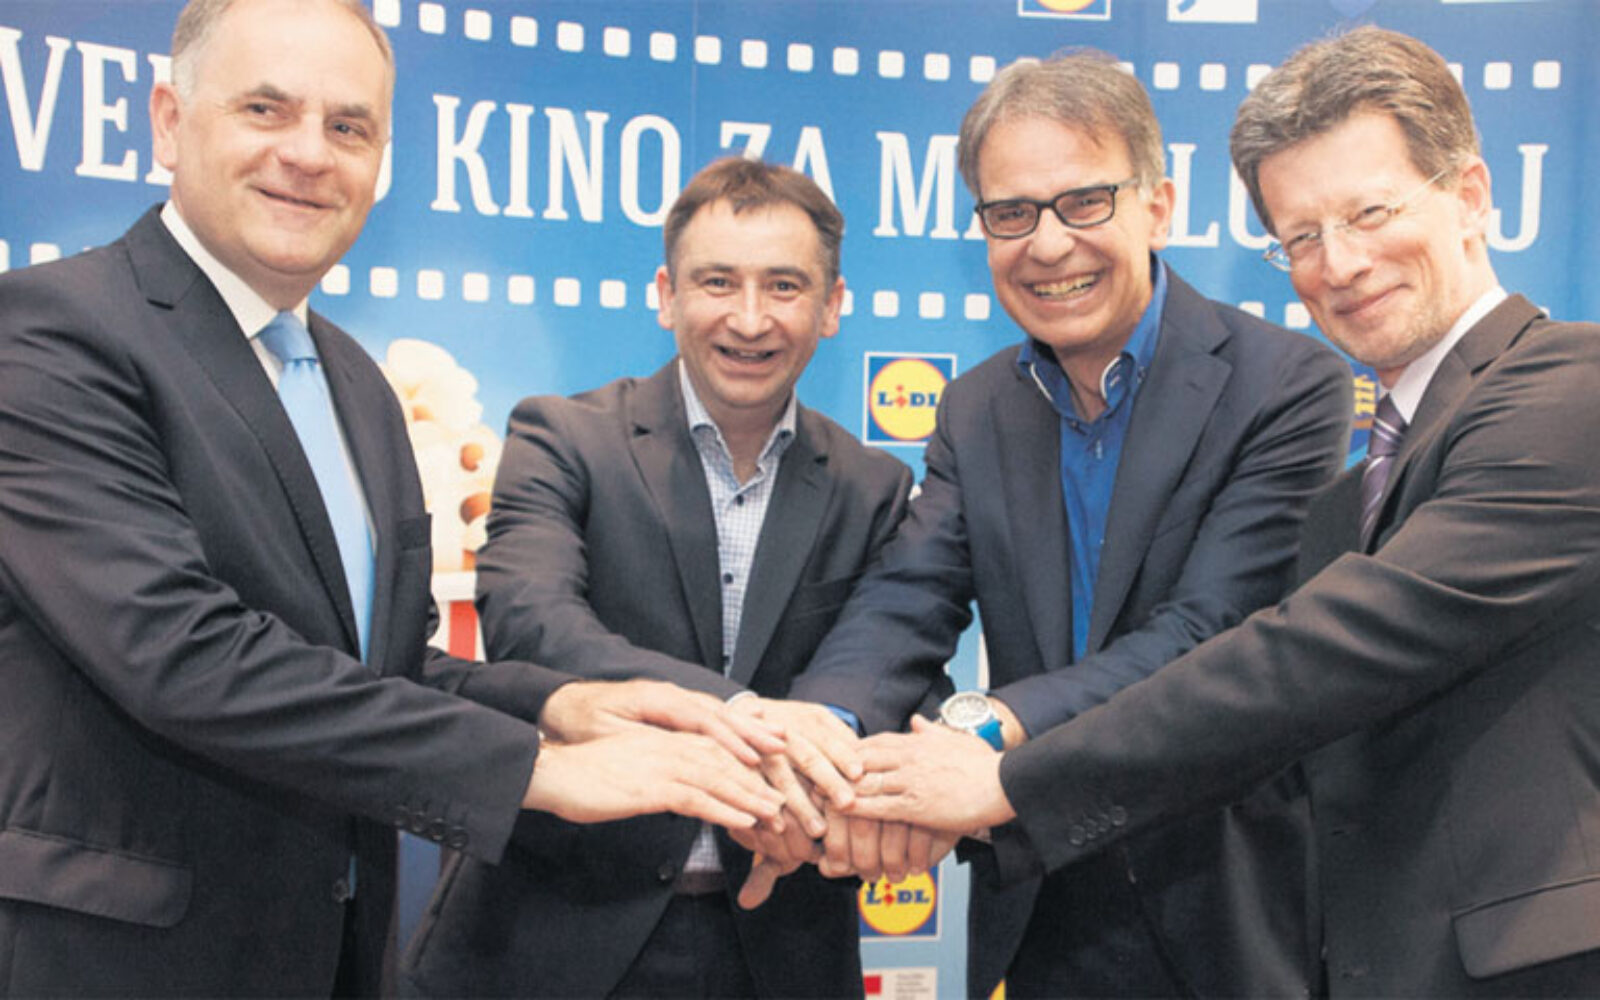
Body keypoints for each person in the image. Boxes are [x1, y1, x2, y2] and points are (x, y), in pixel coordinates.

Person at [0, 1, 787, 995]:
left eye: (348, 126)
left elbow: (381, 669)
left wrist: (563, 705)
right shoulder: (50, 333)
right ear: (168, 120)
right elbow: (179, 652)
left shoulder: (356, 383)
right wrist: (535, 767)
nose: (307, 154)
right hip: (122, 965)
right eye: (265, 109)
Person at [850, 25, 1600, 997]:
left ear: (1468, 196)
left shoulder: (1569, 390)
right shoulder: (1355, 491)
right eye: (1301, 236)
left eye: (1370, 212)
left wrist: (1001, 777)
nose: (1339, 262)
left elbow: (1308, 659)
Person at [770, 50, 1354, 998]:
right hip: (1041, 904)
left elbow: (1210, 632)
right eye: (1011, 213)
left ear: (1158, 207)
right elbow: (908, 596)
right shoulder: (975, 409)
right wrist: (822, 734)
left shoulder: (1287, 384)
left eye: (1084, 202)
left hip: (1225, 903)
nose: (1047, 245)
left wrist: (983, 729)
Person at [400, 157, 914, 999]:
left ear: (831, 306)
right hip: (553, 935)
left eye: (784, 286)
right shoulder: (563, 437)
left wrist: (834, 785)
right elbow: (532, 620)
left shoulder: (875, 488)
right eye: (718, 281)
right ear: (668, 295)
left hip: (779, 940)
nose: (749, 318)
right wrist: (745, 717)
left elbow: (891, 679)